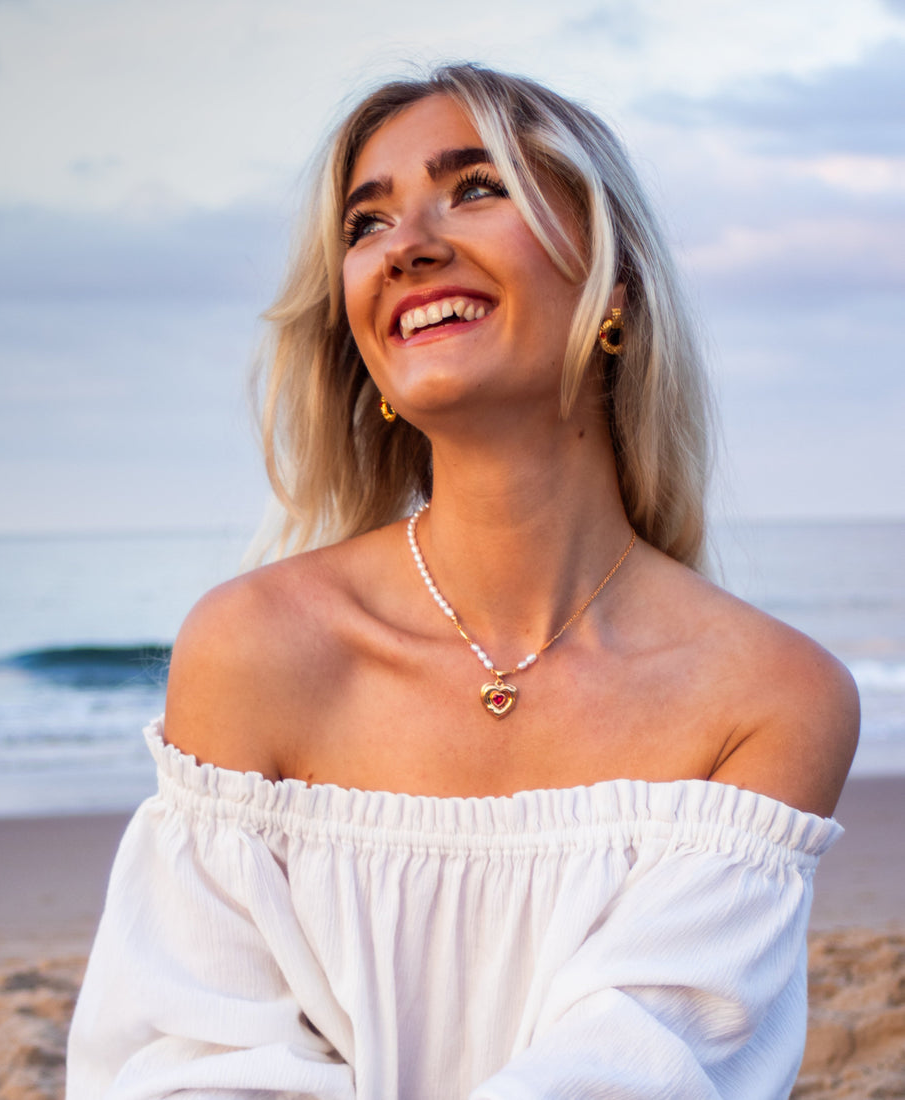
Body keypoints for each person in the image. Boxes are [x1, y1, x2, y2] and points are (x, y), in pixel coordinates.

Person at [66, 64, 858, 1099]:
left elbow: (645, 1064)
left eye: (475, 187)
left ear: (612, 284)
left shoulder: (767, 698)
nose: (405, 246)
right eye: (365, 223)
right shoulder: (255, 646)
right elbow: (191, 1058)